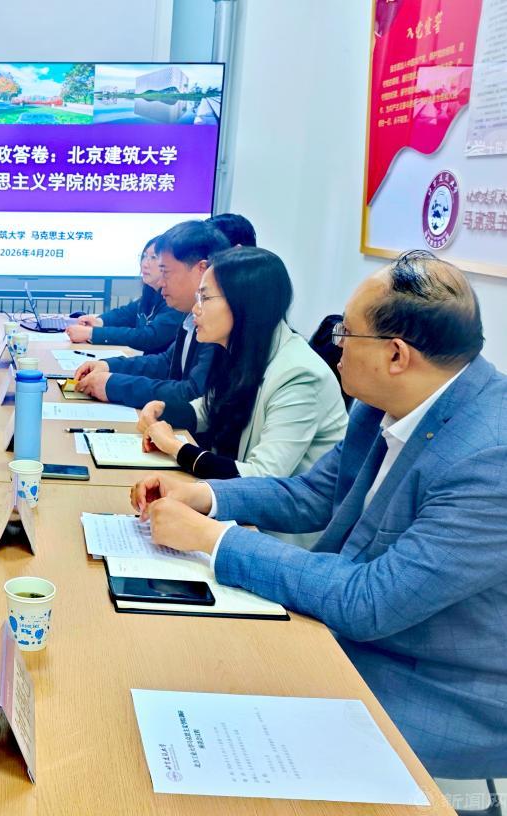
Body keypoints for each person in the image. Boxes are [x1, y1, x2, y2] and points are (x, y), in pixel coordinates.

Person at [131, 250, 507, 780]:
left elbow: (370, 601)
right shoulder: (383, 402)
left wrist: (214, 540)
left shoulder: (489, 458)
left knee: (204, 716)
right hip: (349, 632)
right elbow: (311, 494)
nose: (336, 346)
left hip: (430, 688)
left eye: (345, 334)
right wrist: (207, 497)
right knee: (168, 663)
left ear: (396, 354)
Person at [136, 246, 347, 480]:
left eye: (205, 298)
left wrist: (175, 446)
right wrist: (164, 410)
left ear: (245, 304)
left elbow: (263, 476)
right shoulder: (242, 349)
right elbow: (212, 407)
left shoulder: (299, 375)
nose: (196, 309)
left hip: (283, 501)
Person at [75, 220, 229, 407]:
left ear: (201, 270)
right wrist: (109, 366)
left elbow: (192, 393)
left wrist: (113, 385)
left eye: (166, 272)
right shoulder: (190, 312)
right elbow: (166, 362)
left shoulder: (219, 324)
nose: (161, 282)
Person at [65, 235, 182, 351]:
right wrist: (99, 322)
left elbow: (149, 336)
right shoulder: (151, 292)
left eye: (153, 257)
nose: (145, 264)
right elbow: (126, 314)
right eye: (144, 256)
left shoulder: (176, 300)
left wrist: (92, 333)